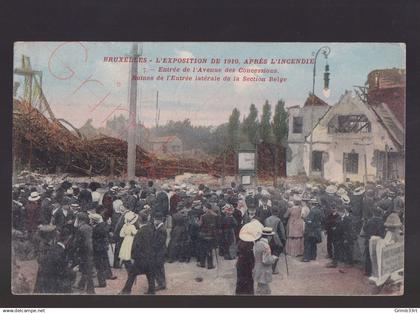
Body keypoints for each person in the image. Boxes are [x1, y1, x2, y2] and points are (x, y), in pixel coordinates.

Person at [120, 212, 155, 295]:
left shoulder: (140, 232)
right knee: (150, 274)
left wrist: (133, 257)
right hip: (149, 256)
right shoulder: (150, 229)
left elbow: (136, 247)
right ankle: (151, 291)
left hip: (141, 258)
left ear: (139, 221)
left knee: (132, 273)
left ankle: (126, 290)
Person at [253, 227, 278, 295]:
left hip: (257, 269)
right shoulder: (266, 246)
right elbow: (266, 260)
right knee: (264, 290)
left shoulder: (256, 244)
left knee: (261, 288)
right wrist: (273, 258)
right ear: (269, 237)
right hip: (264, 271)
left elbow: (255, 255)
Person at [74, 212, 95, 294]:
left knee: (87, 271)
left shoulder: (81, 229)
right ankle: (81, 285)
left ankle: (90, 290)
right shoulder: (88, 227)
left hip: (84, 252)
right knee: (85, 270)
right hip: (89, 251)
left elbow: (78, 242)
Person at [361, 207, 385, 276]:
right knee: (377, 256)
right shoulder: (382, 221)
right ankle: (377, 272)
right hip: (378, 241)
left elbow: (365, 229)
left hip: (369, 240)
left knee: (368, 256)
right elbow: (383, 233)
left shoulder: (370, 221)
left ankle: (368, 272)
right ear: (380, 214)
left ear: (374, 214)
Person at [90, 213, 111, 288]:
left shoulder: (96, 229)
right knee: (101, 265)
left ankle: (101, 282)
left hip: (97, 248)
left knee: (99, 266)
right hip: (102, 248)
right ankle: (102, 281)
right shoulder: (102, 226)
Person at [264, 206, 286, 273]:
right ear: (277, 212)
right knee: (276, 254)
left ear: (271, 212)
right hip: (276, 239)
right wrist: (284, 240)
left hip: (268, 238)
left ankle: (268, 268)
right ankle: (273, 269)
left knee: (269, 253)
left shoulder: (266, 219)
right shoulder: (278, 220)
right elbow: (282, 232)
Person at [197, 203, 218, 269]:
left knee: (203, 250)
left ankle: (202, 264)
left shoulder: (203, 216)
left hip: (204, 235)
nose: (203, 209)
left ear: (207, 208)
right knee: (209, 250)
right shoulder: (215, 215)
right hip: (212, 235)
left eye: (204, 207)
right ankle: (210, 265)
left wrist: (197, 222)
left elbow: (199, 225)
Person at [152, 214, 167, 291]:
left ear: (158, 220)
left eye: (154, 220)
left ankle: (161, 284)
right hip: (160, 252)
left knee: (158, 268)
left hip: (159, 252)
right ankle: (161, 283)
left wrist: (152, 247)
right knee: (159, 268)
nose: (154, 222)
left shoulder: (161, 229)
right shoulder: (160, 228)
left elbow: (159, 242)